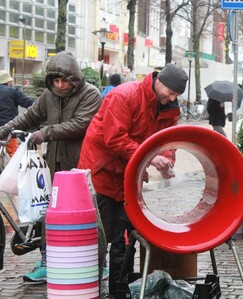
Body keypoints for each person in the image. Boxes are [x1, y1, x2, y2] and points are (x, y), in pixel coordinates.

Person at [77, 63, 188, 295]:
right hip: (102, 171)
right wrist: (151, 157)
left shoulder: (169, 108)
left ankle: (121, 289)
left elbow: (168, 140)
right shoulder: (124, 95)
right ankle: (88, 288)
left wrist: (167, 160)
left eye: (177, 95)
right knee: (98, 236)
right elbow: (114, 139)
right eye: (171, 92)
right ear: (159, 82)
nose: (172, 98)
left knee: (126, 235)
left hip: (129, 175)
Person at [0, 51, 102, 283]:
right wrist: (3, 130)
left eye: (64, 80)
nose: (59, 85)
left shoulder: (90, 94)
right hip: (53, 164)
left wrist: (45, 133)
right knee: (50, 212)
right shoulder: (50, 96)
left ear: (74, 78)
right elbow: (29, 117)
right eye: (55, 81)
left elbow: (80, 124)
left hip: (81, 164)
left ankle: (93, 261)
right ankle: (50, 260)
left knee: (84, 215)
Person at [0, 70, 35, 156]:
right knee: (13, 157)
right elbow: (29, 103)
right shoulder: (13, 91)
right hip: (9, 130)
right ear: (8, 81)